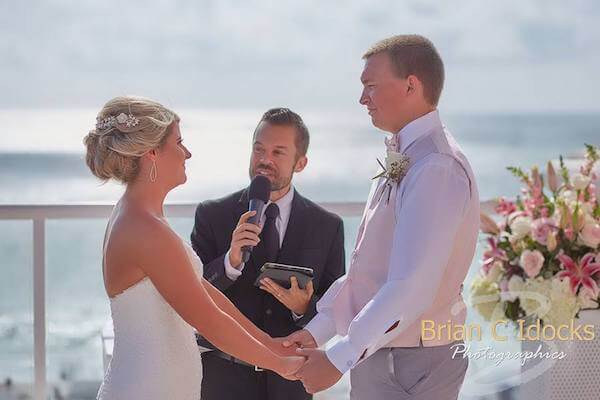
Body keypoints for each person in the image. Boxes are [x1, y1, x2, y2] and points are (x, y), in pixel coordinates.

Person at [284, 34, 480, 400]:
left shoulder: (435, 167)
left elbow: (411, 286)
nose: (362, 99)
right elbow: (369, 271)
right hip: (389, 354)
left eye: (371, 86)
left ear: (411, 85)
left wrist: (338, 358)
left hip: (412, 364)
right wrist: (319, 330)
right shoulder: (408, 156)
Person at [84, 96, 303, 400]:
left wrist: (268, 342)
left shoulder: (142, 216)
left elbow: (206, 295)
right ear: (152, 153)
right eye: (179, 142)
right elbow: (208, 320)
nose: (187, 153)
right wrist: (278, 364)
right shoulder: (145, 228)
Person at [191, 108, 346, 400]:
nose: (265, 160)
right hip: (223, 381)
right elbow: (193, 296)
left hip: (291, 384)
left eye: (278, 152)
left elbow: (336, 308)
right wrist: (230, 262)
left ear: (300, 163)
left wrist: (304, 307)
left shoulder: (328, 226)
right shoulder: (212, 215)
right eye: (259, 149)